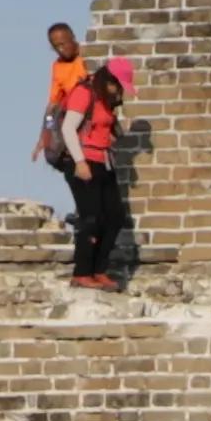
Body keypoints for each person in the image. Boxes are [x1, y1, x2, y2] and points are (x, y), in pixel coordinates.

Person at [40, 22, 136, 287]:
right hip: (82, 162)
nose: (120, 92)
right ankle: (82, 273)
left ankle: (100, 269)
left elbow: (103, 128)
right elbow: (68, 128)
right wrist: (80, 162)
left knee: (115, 216)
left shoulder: (106, 100)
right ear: (109, 81)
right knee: (91, 217)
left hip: (104, 162)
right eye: (118, 86)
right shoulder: (85, 92)